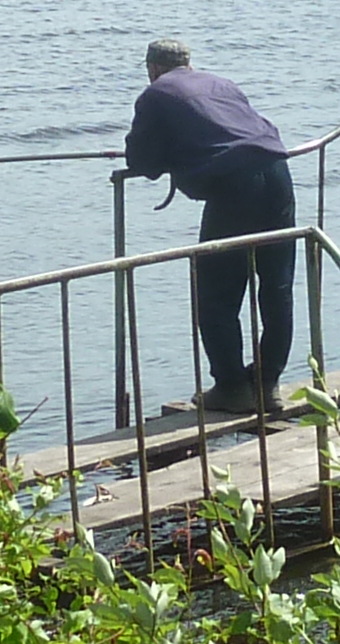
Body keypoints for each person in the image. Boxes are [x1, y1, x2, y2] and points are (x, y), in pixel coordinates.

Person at [122, 36, 294, 417]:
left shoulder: (155, 94)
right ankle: (268, 383)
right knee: (276, 285)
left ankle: (232, 387)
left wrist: (170, 157)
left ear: (152, 68)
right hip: (278, 172)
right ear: (190, 63)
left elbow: (142, 160)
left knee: (216, 291)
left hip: (235, 186)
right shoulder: (223, 84)